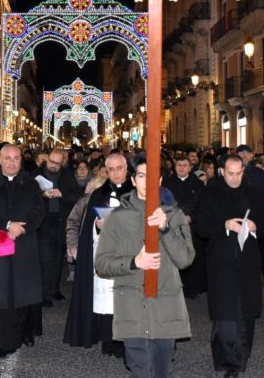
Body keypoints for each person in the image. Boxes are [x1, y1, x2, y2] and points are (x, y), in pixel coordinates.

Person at [94, 155, 194, 378]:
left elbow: (185, 259)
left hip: (165, 304)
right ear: (133, 180)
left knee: (161, 370)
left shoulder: (174, 215)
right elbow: (101, 264)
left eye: (151, 176)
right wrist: (133, 262)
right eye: (141, 175)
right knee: (140, 370)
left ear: (159, 181)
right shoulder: (117, 218)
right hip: (131, 304)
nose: (146, 181)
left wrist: (166, 229)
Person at [196, 155, 262, 377]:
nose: (235, 178)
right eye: (231, 173)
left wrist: (255, 226)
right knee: (225, 314)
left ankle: (243, 356)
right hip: (222, 262)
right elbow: (201, 227)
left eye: (239, 173)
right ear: (222, 172)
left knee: (246, 311)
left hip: (248, 261)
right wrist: (224, 225)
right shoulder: (210, 194)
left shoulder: (254, 192)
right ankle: (228, 362)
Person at [0, 144, 45, 358]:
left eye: (16, 158)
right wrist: (8, 225)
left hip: (24, 245)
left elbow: (38, 212)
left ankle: (23, 332)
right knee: (2, 295)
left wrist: (20, 229)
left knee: (23, 292)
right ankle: (6, 341)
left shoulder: (31, 184)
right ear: (0, 160)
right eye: (8, 158)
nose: (12, 162)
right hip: (0, 246)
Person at [64, 153, 131, 356]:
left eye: (119, 168)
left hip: (127, 255)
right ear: (106, 171)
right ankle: (106, 339)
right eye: (111, 169)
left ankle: (124, 342)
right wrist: (98, 226)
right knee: (105, 299)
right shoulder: (98, 193)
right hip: (103, 253)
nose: (116, 173)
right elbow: (87, 226)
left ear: (126, 168)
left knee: (125, 298)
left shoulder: (137, 192)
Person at [34, 149, 83, 306]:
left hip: (61, 221)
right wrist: (42, 195)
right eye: (51, 162)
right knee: (45, 259)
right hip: (43, 222)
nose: (53, 165)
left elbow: (77, 197)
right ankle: (43, 294)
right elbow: (28, 197)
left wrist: (62, 195)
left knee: (57, 258)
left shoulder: (67, 176)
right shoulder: (36, 175)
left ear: (63, 163)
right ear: (47, 159)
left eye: (57, 163)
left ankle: (54, 289)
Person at [163, 155, 207, 299]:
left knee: (192, 256)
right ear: (174, 167)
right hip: (172, 227)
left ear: (190, 167)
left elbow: (203, 205)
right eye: (179, 165)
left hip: (192, 226)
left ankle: (192, 289)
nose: (181, 168)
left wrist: (191, 217)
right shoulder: (167, 183)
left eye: (185, 165)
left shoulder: (198, 184)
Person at [236, 145, 264, 286]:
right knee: (246, 251)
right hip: (241, 219)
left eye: (247, 152)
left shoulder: (259, 173)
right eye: (241, 153)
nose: (244, 155)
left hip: (261, 217)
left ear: (252, 155)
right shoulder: (234, 172)